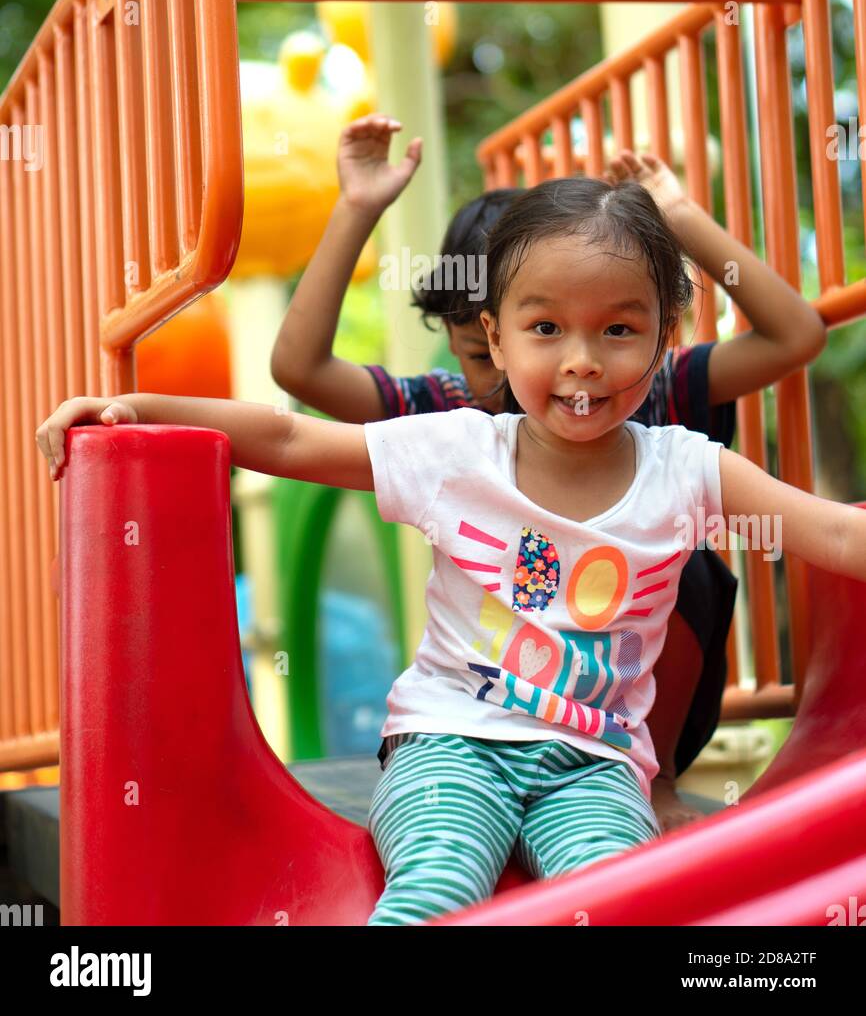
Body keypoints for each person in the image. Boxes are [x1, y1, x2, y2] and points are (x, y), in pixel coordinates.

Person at [36, 176, 862, 927]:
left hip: (596, 765)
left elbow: (829, 530)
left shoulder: (687, 467)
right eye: (546, 328)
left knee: (620, 894)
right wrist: (131, 404)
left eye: (618, 328)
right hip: (451, 741)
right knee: (438, 878)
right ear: (495, 340)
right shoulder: (456, 450)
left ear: (663, 337)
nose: (581, 359)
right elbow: (290, 434)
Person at [269, 114, 827, 831]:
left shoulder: (653, 389)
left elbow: (796, 336)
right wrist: (357, 209)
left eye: (611, 329)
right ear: (490, 340)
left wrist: (680, 216)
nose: (567, 370)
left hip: (620, 717)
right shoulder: (447, 416)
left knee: (683, 562)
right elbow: (298, 376)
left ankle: (650, 787)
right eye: (495, 348)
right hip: (487, 708)